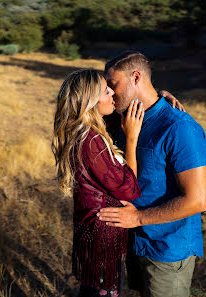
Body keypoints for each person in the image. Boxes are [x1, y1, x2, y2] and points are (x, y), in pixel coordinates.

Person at [98, 51, 206, 297]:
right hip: (136, 241)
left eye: (113, 84)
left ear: (136, 77)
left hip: (167, 249)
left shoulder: (180, 127)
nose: (110, 92)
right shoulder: (124, 120)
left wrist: (137, 219)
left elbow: (198, 200)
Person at [52, 69, 143, 297]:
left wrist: (161, 95)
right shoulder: (91, 142)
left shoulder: (86, 131)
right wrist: (131, 138)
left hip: (95, 230)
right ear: (90, 102)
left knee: (93, 289)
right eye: (105, 91)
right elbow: (129, 189)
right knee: (102, 291)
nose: (112, 92)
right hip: (102, 235)